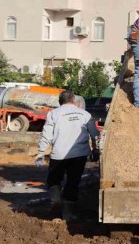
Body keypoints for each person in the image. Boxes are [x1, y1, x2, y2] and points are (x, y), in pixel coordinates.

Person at [34, 90, 98, 219]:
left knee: (53, 180)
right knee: (72, 182)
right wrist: (95, 150)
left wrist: (41, 152)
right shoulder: (85, 115)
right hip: (79, 155)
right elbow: (95, 135)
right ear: (74, 100)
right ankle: (67, 214)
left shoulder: (53, 114)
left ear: (59, 101)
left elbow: (46, 135)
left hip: (59, 154)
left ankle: (56, 200)